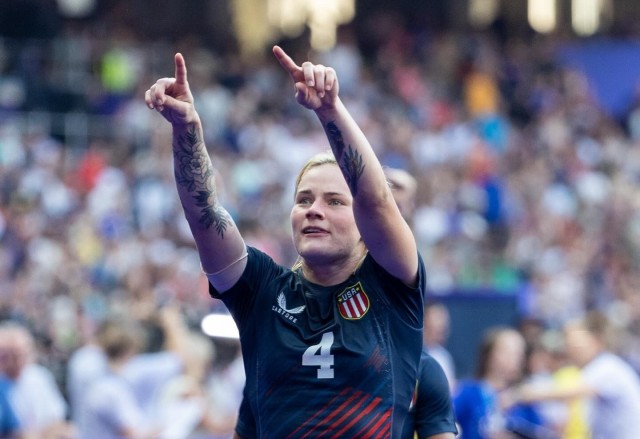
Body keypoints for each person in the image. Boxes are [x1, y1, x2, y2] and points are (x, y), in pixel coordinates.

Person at [144, 45, 425, 437]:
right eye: (304, 199)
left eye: (334, 201)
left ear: (362, 222)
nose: (314, 210)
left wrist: (329, 110)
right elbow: (204, 215)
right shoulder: (262, 289)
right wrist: (187, 130)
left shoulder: (392, 286)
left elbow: (377, 201)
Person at [511, 311, 640, 439]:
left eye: (576, 343)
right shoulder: (593, 368)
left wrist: (522, 394)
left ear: (595, 340)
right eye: (569, 344)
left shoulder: (606, 366)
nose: (571, 349)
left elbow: (569, 392)